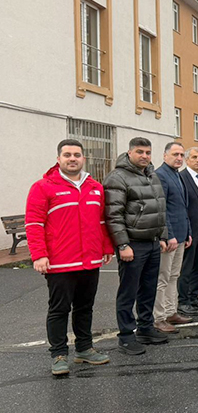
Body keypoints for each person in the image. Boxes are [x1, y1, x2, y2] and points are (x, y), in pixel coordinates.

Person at [26, 139, 114, 375]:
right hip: (60, 262)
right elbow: (34, 224)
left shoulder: (95, 187)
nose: (72, 159)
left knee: (85, 307)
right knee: (59, 309)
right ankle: (58, 355)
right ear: (59, 159)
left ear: (83, 158)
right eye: (67, 155)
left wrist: (106, 247)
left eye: (76, 155)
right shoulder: (43, 187)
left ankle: (84, 349)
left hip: (90, 260)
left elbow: (101, 221)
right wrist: (39, 255)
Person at [104, 137, 169, 355]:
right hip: (133, 245)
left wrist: (162, 236)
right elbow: (113, 215)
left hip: (152, 243)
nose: (144, 156)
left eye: (148, 152)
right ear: (130, 152)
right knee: (128, 292)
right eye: (140, 152)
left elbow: (159, 207)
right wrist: (123, 245)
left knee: (148, 289)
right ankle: (126, 336)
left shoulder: (151, 174)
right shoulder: (118, 177)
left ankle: (145, 328)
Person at [153, 142, 193, 333]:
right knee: (162, 277)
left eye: (181, 155)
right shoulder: (160, 175)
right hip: (170, 237)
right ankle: (158, 318)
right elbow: (162, 208)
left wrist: (188, 232)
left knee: (174, 275)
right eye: (175, 154)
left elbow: (182, 207)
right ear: (165, 155)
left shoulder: (176, 175)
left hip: (181, 234)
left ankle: (171, 312)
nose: (179, 158)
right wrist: (168, 235)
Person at [177, 147, 198, 316]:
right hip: (189, 231)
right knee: (186, 267)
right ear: (187, 160)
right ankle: (183, 301)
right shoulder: (182, 177)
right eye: (194, 157)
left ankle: (193, 296)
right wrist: (186, 231)